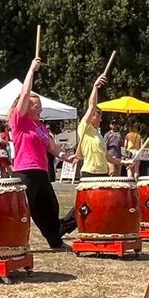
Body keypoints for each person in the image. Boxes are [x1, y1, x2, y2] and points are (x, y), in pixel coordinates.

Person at [10, 56, 71, 249]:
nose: (40, 109)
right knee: (24, 210)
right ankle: (14, 241)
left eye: (40, 107)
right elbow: (25, 93)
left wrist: (66, 157)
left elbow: (52, 147)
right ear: (27, 107)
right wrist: (31, 70)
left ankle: (55, 240)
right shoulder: (19, 122)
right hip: (24, 172)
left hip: (41, 172)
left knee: (51, 207)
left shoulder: (41, 127)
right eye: (36, 106)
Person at [59, 73, 109, 236]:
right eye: (98, 115)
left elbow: (106, 156)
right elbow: (91, 104)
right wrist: (95, 87)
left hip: (103, 173)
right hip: (90, 173)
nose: (100, 118)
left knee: (100, 205)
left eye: (100, 115)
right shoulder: (84, 128)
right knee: (84, 205)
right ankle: (62, 227)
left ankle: (97, 228)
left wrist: (123, 161)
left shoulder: (98, 135)